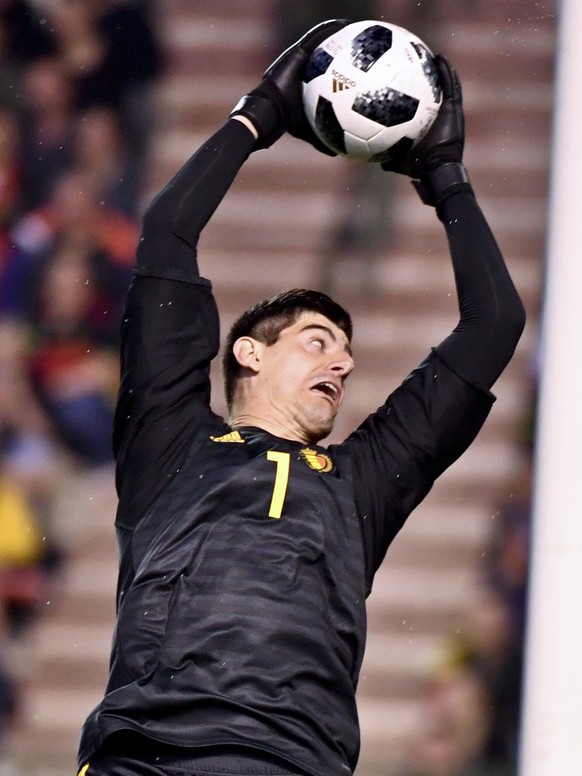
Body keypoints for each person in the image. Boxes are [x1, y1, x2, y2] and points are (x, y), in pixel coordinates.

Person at [76, 19, 525, 776]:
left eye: (347, 352)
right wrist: (259, 116)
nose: (342, 362)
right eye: (318, 340)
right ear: (247, 352)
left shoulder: (363, 485)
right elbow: (167, 235)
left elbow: (493, 324)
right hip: (146, 756)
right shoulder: (170, 442)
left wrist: (446, 176)